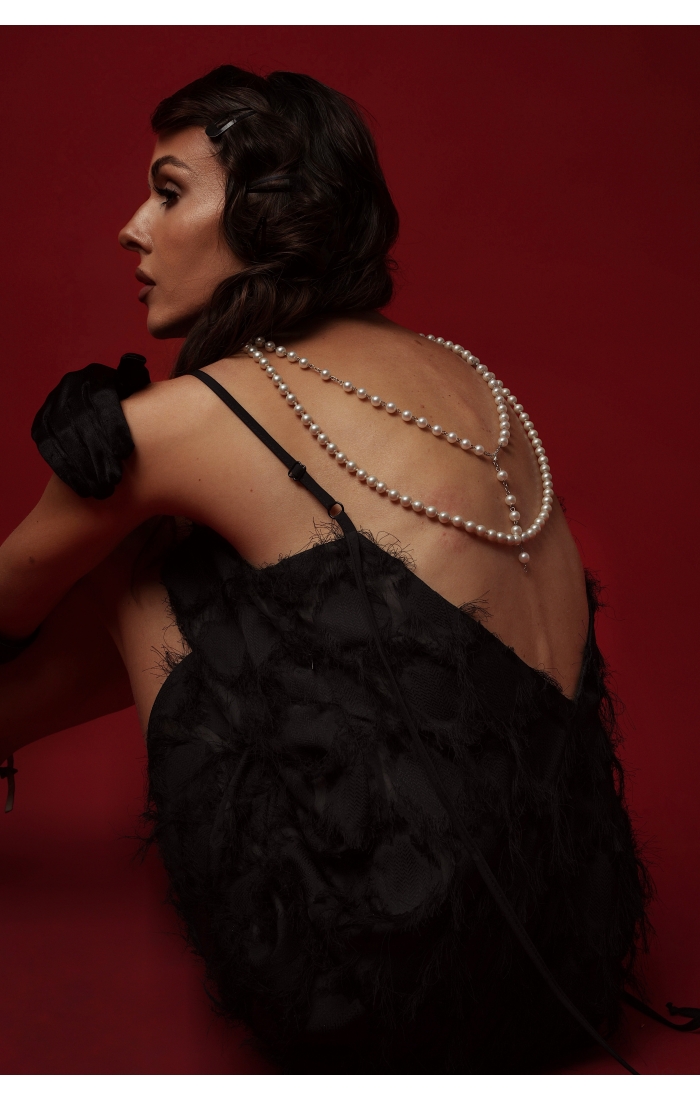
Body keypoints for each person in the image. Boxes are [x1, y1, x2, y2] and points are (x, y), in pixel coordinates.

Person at [0, 65, 652, 1072]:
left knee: (148, 563)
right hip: (572, 961)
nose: (132, 229)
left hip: (379, 999)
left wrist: (94, 477)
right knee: (245, 561)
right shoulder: (467, 376)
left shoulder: (200, 415)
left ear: (263, 214)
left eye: (169, 193)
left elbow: (10, 601)